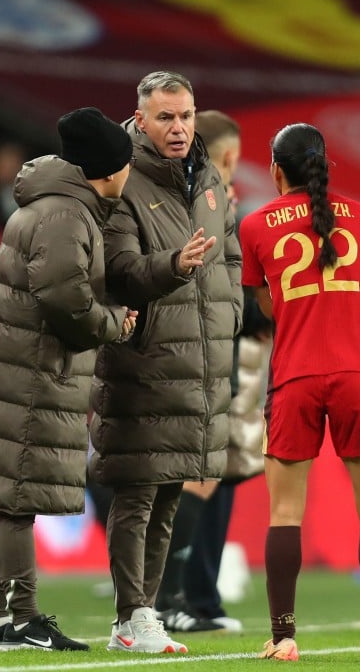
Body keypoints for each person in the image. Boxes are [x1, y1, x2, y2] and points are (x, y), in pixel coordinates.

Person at [0, 107, 137, 652]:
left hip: (15, 369)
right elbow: (63, 296)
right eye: (125, 165)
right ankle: (24, 618)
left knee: (4, 497)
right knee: (18, 496)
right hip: (30, 377)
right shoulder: (66, 216)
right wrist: (111, 324)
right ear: (108, 168)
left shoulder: (50, 206)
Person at [241, 122, 360, 664]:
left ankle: (284, 637)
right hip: (357, 373)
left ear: (275, 170)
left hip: (293, 377)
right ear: (326, 166)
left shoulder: (255, 226)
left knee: (285, 512)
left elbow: (266, 308)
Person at [89, 71, 243, 654]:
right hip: (144, 356)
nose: (178, 129)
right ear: (141, 119)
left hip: (201, 359)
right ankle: (131, 615)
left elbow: (227, 254)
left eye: (186, 116)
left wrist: (226, 319)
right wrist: (175, 267)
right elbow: (122, 268)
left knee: (172, 489)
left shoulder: (207, 175)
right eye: (165, 118)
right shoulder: (123, 178)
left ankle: (144, 613)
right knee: (138, 491)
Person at [154, 109, 271, 634]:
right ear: (229, 157)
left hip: (196, 346)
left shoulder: (181, 197)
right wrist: (259, 313)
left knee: (198, 474)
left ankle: (177, 597)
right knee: (193, 475)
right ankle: (168, 598)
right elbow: (216, 283)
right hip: (203, 349)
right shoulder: (210, 200)